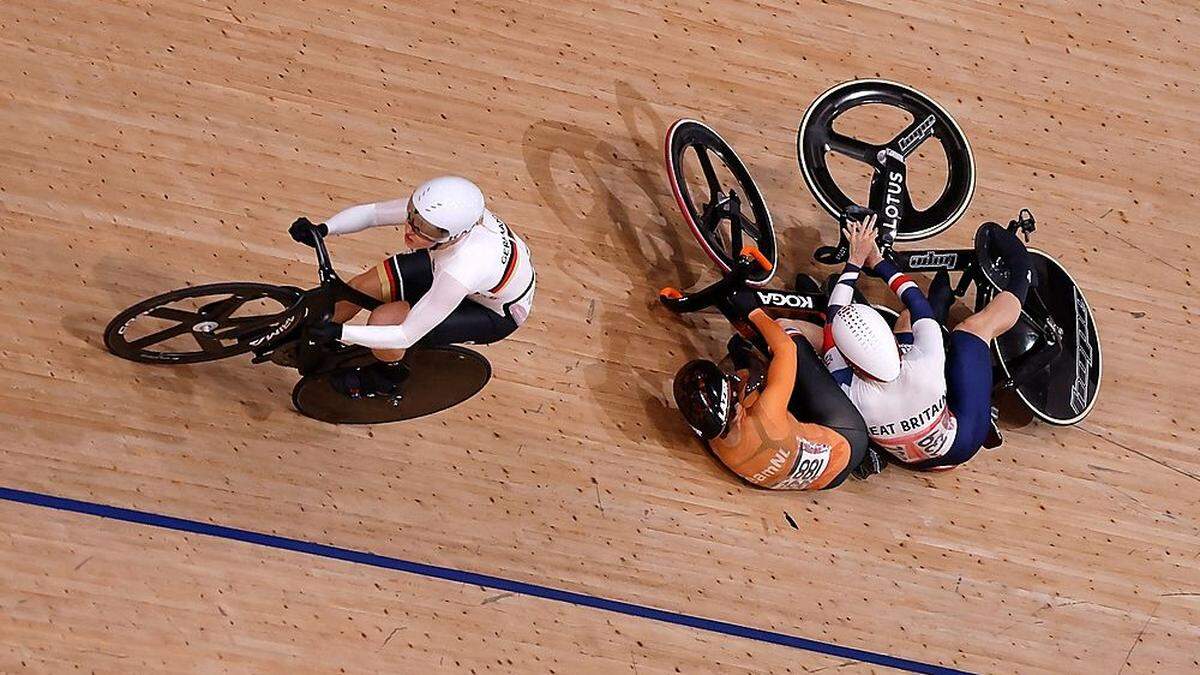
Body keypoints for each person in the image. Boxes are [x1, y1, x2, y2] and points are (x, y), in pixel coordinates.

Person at [290, 176, 536, 397]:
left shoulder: (461, 269)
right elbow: (374, 214)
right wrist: (324, 229)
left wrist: (339, 333)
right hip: (453, 266)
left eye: (425, 230)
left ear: (454, 235)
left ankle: (388, 377)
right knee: (358, 288)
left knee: (384, 320)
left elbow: (405, 334)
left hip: (493, 312)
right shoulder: (437, 215)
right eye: (412, 216)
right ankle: (300, 340)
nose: (411, 230)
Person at [822, 212, 1032, 469]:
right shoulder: (924, 362)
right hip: (962, 441)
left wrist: (854, 262)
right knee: (973, 330)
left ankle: (941, 309)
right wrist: (875, 260)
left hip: (911, 459)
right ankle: (1024, 273)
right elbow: (915, 299)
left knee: (904, 322)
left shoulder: (849, 387)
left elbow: (832, 319)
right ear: (898, 354)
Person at [673, 306, 869, 490]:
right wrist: (754, 312)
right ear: (734, 402)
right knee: (787, 333)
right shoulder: (766, 416)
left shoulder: (716, 442)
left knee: (746, 360)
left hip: (823, 477)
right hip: (848, 438)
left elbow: (743, 387)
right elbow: (785, 348)